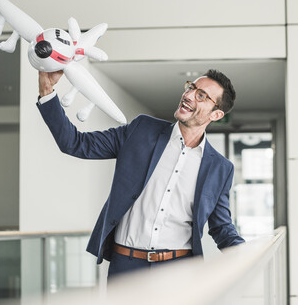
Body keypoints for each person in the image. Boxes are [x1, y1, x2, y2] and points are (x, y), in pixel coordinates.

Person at [37, 69, 245, 278]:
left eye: (201, 96)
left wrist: (246, 253)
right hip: (126, 267)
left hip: (179, 271)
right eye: (191, 88)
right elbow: (75, 144)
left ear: (216, 114)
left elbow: (222, 228)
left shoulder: (221, 168)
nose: (188, 95)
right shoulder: (141, 130)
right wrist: (47, 90)